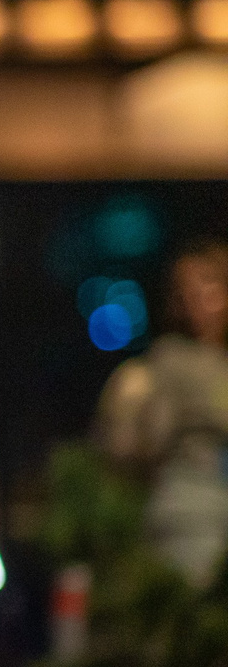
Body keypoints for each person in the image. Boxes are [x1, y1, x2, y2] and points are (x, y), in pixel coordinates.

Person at [97, 241, 228, 588]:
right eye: (186, 292)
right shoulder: (169, 361)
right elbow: (138, 443)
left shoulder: (216, 362)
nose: (197, 301)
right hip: (192, 507)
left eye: (209, 287)